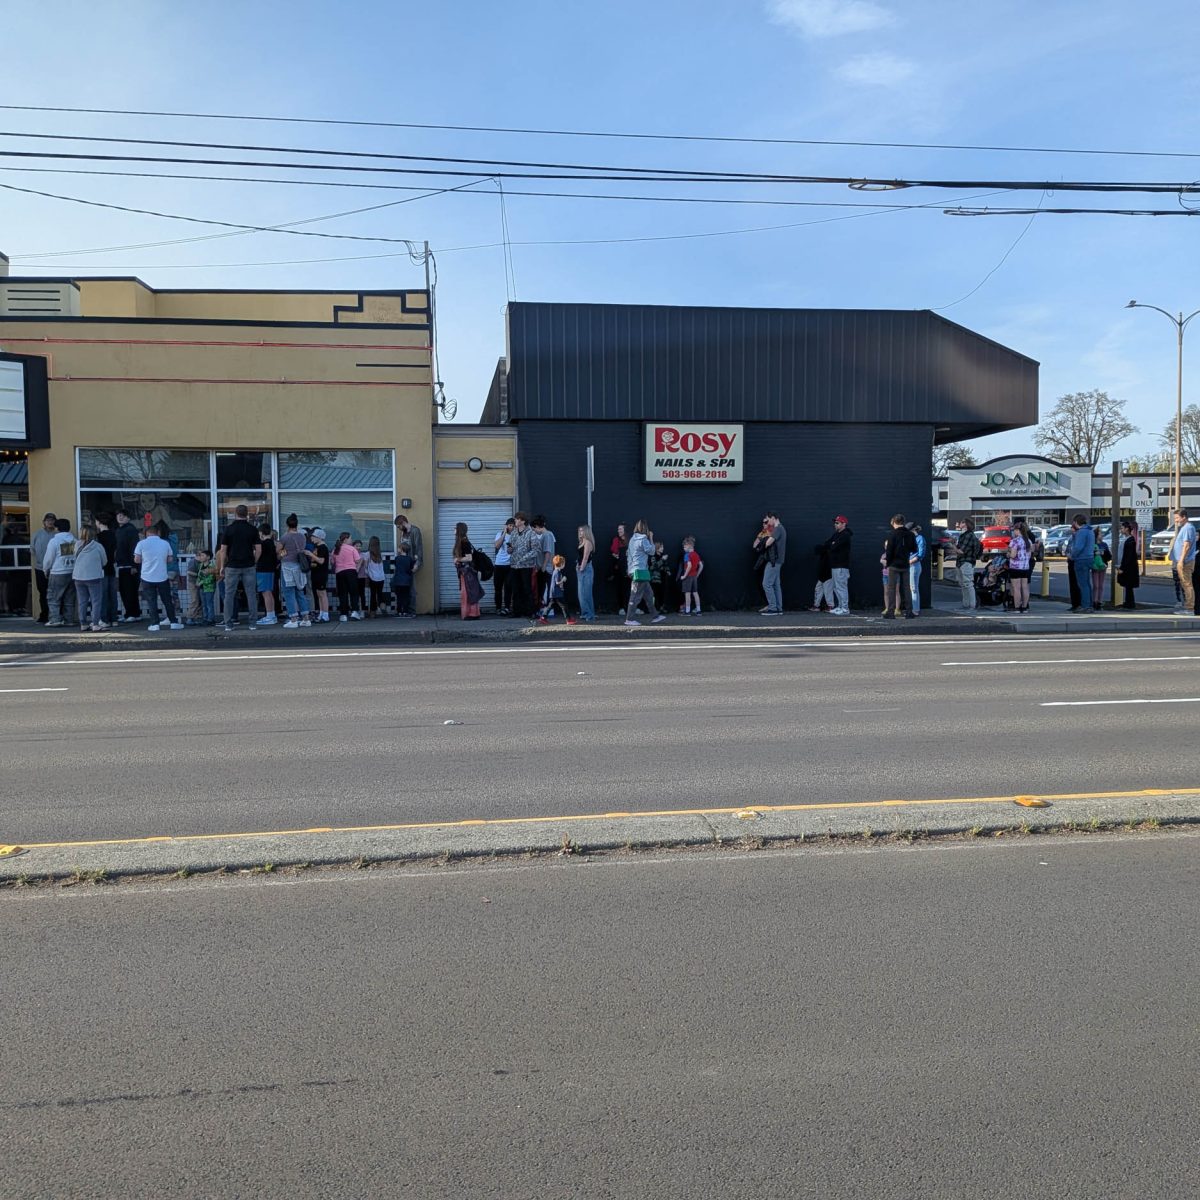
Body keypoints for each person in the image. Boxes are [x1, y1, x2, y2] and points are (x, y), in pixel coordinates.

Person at [217, 503, 261, 632]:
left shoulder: (229, 529)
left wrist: (222, 566)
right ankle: (252, 623)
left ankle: (228, 623)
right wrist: (254, 561)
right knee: (251, 594)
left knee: (229, 595)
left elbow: (223, 550)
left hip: (232, 566)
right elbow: (259, 549)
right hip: (249, 565)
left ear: (235, 513)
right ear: (247, 514)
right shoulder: (252, 529)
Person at [136, 521, 182, 630]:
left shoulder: (141, 543)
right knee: (167, 600)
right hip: (162, 576)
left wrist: (146, 559)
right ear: (158, 533)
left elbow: (137, 560)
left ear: (146, 533)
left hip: (147, 577)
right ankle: (173, 622)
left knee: (151, 601)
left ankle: (154, 624)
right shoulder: (165, 543)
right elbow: (170, 559)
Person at [624, 520, 666, 626]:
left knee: (649, 595)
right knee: (635, 596)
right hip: (640, 571)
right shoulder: (643, 539)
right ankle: (629, 619)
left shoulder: (632, 539)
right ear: (645, 529)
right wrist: (651, 538)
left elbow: (629, 555)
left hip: (635, 570)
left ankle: (655, 616)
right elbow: (652, 551)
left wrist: (629, 569)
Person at [72, 525, 109, 632]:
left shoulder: (77, 545)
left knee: (82, 601)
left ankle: (83, 624)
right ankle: (95, 624)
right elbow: (104, 561)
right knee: (96, 601)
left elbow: (75, 557)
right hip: (94, 577)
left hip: (78, 577)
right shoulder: (98, 546)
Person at [43, 517, 78, 627]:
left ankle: (55, 619)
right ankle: (69, 620)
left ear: (57, 528)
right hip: (73, 572)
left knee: (54, 597)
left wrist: (45, 569)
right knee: (69, 598)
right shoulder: (75, 541)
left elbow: (49, 558)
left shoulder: (54, 541)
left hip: (58, 572)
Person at [278, 514, 311, 629]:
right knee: (300, 592)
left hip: (287, 566)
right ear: (297, 524)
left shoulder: (284, 537)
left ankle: (293, 619)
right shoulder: (302, 537)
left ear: (287, 525)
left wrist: (282, 553)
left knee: (289, 593)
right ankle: (306, 618)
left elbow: (278, 550)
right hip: (299, 567)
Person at [882, 514, 917, 619]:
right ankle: (909, 612)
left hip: (894, 564)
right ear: (903, 522)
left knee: (891, 588)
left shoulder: (892, 534)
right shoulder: (910, 534)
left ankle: (891, 612)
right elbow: (914, 549)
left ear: (894, 522)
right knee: (907, 588)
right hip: (905, 564)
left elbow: (889, 551)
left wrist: (888, 563)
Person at [508, 512, 540, 619]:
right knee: (516, 589)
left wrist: (523, 558)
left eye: (517, 519)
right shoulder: (513, 533)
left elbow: (535, 550)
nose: (515, 521)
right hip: (514, 565)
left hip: (526, 566)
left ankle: (530, 611)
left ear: (523, 521)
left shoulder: (531, 533)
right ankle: (517, 611)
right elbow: (510, 548)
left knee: (527, 588)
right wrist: (509, 549)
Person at [113, 509, 142, 622]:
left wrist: (134, 565)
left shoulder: (130, 530)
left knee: (129, 590)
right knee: (126, 590)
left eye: (123, 515)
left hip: (129, 565)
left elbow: (134, 547)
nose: (120, 517)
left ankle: (132, 614)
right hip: (122, 564)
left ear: (128, 518)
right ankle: (133, 613)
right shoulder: (118, 530)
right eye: (119, 515)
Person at [1167, 508, 1197, 614]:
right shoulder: (1185, 528)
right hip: (1182, 561)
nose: (1176, 520)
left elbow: (1186, 545)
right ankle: (1188, 607)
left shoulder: (1188, 528)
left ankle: (1190, 608)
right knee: (1185, 584)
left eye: (1177, 518)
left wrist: (1181, 560)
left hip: (1185, 562)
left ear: (1184, 517)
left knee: (1187, 584)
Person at [93, 512, 119, 627]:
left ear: (99, 522)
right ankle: (114, 619)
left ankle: (104, 619)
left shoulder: (98, 537)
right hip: (111, 567)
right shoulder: (114, 535)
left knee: (103, 595)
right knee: (112, 595)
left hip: (101, 568)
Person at [1066, 514, 1095, 612]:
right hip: (1089, 558)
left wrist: (1072, 555)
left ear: (1075, 522)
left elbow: (1078, 547)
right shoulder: (1090, 531)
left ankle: (1085, 605)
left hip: (1081, 559)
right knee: (1087, 583)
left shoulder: (1081, 532)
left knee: (1082, 584)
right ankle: (1089, 605)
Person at [453, 522, 482, 620]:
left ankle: (471, 614)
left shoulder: (464, 542)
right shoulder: (462, 541)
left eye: (455, 528)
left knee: (468, 593)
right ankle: (471, 613)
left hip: (467, 572)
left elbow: (469, 558)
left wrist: (457, 559)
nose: (453, 530)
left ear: (459, 530)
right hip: (464, 572)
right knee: (468, 592)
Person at [32, 512, 58, 623]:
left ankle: (55, 616)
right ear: (44, 522)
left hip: (55, 569)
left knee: (55, 593)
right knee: (43, 593)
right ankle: (44, 615)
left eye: (52, 520)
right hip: (40, 568)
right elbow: (32, 549)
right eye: (48, 520)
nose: (50, 522)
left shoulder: (57, 535)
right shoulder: (37, 534)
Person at [331, 532, 364, 622]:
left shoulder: (336, 549)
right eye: (350, 538)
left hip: (339, 573)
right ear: (345, 539)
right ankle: (354, 612)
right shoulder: (352, 548)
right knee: (354, 593)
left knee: (342, 593)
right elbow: (357, 560)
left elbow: (332, 562)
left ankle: (343, 614)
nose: (351, 540)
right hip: (351, 572)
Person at [825, 515, 853, 615]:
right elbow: (827, 543)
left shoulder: (845, 535)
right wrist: (832, 543)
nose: (835, 524)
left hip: (841, 565)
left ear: (844, 524)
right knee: (836, 587)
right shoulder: (836, 534)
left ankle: (845, 608)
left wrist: (833, 544)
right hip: (835, 565)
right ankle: (840, 606)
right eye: (835, 523)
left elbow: (834, 546)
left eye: (837, 523)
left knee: (841, 587)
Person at [255, 522, 281, 626]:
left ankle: (270, 616)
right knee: (269, 593)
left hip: (263, 570)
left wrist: (254, 561)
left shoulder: (263, 544)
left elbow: (258, 554)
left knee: (266, 593)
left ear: (261, 533)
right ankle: (271, 615)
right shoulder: (272, 543)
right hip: (270, 570)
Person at [760, 512, 785, 615]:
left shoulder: (778, 529)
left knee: (766, 584)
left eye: (768, 519)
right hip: (778, 561)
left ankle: (773, 608)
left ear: (773, 518)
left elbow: (768, 543)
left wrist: (764, 541)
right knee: (775, 585)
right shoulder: (781, 528)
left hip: (774, 561)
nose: (767, 522)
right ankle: (778, 608)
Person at [954, 518, 982, 610]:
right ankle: (966, 604)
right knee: (964, 584)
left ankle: (971, 605)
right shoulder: (965, 535)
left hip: (966, 562)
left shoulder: (968, 535)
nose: (959, 524)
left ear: (965, 524)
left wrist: (952, 545)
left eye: (961, 522)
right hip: (963, 562)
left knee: (968, 584)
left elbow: (961, 551)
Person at [1007, 519, 1034, 614]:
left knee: (1016, 588)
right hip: (1025, 567)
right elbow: (1029, 554)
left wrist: (1008, 554)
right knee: (1025, 587)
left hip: (1015, 567)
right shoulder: (1028, 541)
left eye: (1014, 530)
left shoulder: (1015, 541)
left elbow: (1013, 555)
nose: (1014, 532)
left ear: (1017, 530)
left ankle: (1017, 607)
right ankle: (1025, 607)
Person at [539, 555, 572, 625]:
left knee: (550, 606)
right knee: (563, 606)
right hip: (557, 594)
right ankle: (568, 619)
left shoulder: (555, 571)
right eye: (564, 563)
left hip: (554, 593)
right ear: (561, 564)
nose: (564, 565)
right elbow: (557, 582)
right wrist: (563, 579)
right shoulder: (557, 572)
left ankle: (543, 617)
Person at [532, 515, 555, 613]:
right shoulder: (546, 535)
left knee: (546, 589)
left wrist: (544, 567)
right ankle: (544, 609)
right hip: (543, 567)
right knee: (543, 589)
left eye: (534, 529)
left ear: (537, 526)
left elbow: (547, 552)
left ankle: (548, 610)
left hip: (545, 568)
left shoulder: (547, 535)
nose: (534, 532)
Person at [308, 527, 331, 622]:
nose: (312, 538)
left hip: (321, 573)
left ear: (319, 537)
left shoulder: (323, 547)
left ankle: (325, 614)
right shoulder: (317, 547)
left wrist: (311, 554)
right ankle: (321, 613)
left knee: (322, 593)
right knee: (318, 594)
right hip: (315, 572)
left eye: (314, 536)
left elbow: (321, 561)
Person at [493, 518, 515, 615]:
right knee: (498, 588)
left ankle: (507, 608)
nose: (511, 528)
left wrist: (511, 550)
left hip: (509, 566)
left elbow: (513, 551)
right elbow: (497, 546)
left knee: (508, 588)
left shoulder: (516, 536)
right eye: (510, 525)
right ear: (506, 526)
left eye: (513, 526)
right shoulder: (500, 534)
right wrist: (504, 533)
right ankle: (498, 608)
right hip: (499, 565)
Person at [1117, 519, 1139, 610]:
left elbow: (1128, 556)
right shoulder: (1126, 539)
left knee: (1128, 585)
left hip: (1128, 568)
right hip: (1125, 566)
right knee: (1127, 586)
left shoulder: (1130, 540)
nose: (1121, 530)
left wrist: (1122, 567)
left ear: (1127, 529)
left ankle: (1129, 604)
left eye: (1122, 528)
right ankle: (1128, 602)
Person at [576, 524, 596, 622]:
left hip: (586, 569)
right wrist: (578, 566)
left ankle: (590, 615)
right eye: (579, 531)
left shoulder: (588, 542)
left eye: (582, 531)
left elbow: (585, 557)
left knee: (586, 593)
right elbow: (580, 557)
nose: (580, 532)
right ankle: (586, 613)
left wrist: (581, 568)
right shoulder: (581, 542)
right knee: (581, 593)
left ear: (586, 532)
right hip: (581, 569)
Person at [1090, 525, 1112, 612]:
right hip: (1095, 567)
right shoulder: (1092, 545)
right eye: (1100, 533)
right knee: (1096, 585)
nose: (1101, 535)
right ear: (1096, 535)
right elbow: (1090, 555)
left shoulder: (1104, 545)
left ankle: (1099, 601)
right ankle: (1094, 601)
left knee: (1101, 585)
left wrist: (1104, 554)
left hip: (1103, 566)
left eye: (1101, 533)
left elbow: (1109, 556)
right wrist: (1095, 554)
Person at [679, 536, 703, 615]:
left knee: (687, 593)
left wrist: (684, 576)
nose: (683, 548)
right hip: (694, 576)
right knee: (695, 593)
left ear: (689, 545)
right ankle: (698, 610)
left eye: (684, 546)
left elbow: (689, 566)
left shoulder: (687, 555)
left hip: (688, 577)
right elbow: (701, 566)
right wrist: (697, 575)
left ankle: (687, 611)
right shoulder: (696, 554)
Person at [194, 548, 218, 624]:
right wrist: (197, 581)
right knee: (204, 604)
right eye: (200, 555)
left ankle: (210, 619)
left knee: (209, 604)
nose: (201, 557)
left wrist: (201, 582)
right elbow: (199, 575)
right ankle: (205, 618)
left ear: (208, 557)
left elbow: (211, 578)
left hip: (209, 588)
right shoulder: (200, 565)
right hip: (202, 588)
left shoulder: (212, 565)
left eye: (202, 555)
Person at [363, 536, 386, 616]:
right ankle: (383, 607)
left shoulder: (367, 554)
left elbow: (365, 567)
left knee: (373, 594)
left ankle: (373, 612)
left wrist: (367, 574)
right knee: (380, 593)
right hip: (381, 577)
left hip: (372, 577)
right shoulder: (380, 554)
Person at [908, 522, 927, 616]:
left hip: (914, 564)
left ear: (913, 530)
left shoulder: (920, 538)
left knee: (914, 588)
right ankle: (913, 609)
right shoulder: (911, 538)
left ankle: (915, 610)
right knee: (912, 588)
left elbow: (921, 554)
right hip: (910, 564)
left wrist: (910, 561)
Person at [392, 540, 415, 617]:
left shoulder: (397, 558)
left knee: (399, 597)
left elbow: (396, 566)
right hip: (406, 581)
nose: (398, 549)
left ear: (401, 549)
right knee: (406, 597)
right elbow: (411, 568)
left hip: (398, 581)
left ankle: (399, 612)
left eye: (399, 548)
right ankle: (405, 611)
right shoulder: (409, 559)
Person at [609, 524, 628, 613]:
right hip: (620, 567)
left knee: (630, 588)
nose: (619, 531)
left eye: (620, 529)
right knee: (620, 587)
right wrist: (616, 554)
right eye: (618, 529)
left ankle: (631, 607)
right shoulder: (616, 540)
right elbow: (614, 552)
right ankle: (621, 608)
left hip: (629, 567)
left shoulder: (630, 540)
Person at [810, 541, 833, 612]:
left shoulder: (827, 556)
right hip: (822, 577)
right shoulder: (823, 556)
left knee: (827, 591)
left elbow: (826, 567)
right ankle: (816, 605)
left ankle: (830, 606)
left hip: (827, 576)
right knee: (819, 589)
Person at [649, 540, 670, 614]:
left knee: (663, 593)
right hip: (655, 579)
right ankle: (655, 608)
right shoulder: (653, 556)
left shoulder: (663, 555)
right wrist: (662, 560)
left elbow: (666, 566)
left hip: (663, 578)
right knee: (655, 594)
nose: (662, 548)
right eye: (661, 547)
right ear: (657, 548)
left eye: (662, 547)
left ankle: (662, 607)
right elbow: (654, 567)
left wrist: (668, 571)